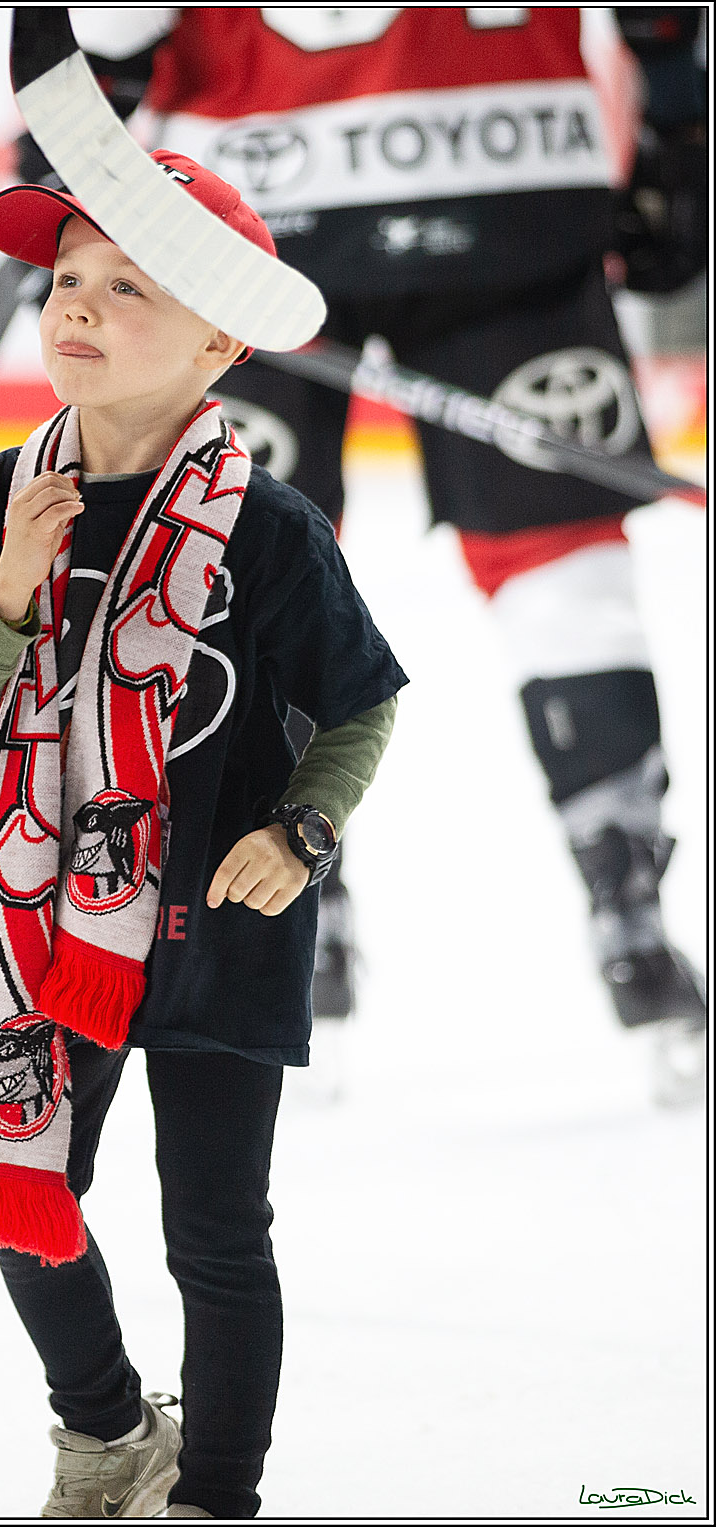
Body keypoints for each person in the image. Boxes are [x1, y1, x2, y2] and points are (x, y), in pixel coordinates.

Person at [61, 5, 707, 1100]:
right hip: (511, 177)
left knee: (228, 584)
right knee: (564, 582)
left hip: (242, 221)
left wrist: (67, 172)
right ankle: (634, 928)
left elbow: (109, 30)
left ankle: (285, 945)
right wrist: (677, 136)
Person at [0, 150, 407, 1518]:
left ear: (220, 335)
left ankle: (214, 1493)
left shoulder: (273, 529)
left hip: (226, 933)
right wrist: (9, 586)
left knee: (219, 1232)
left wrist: (303, 832)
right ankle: (110, 1425)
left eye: (130, 285)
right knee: (25, 1192)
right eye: (67, 280)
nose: (79, 306)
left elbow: (362, 706)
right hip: (47, 931)